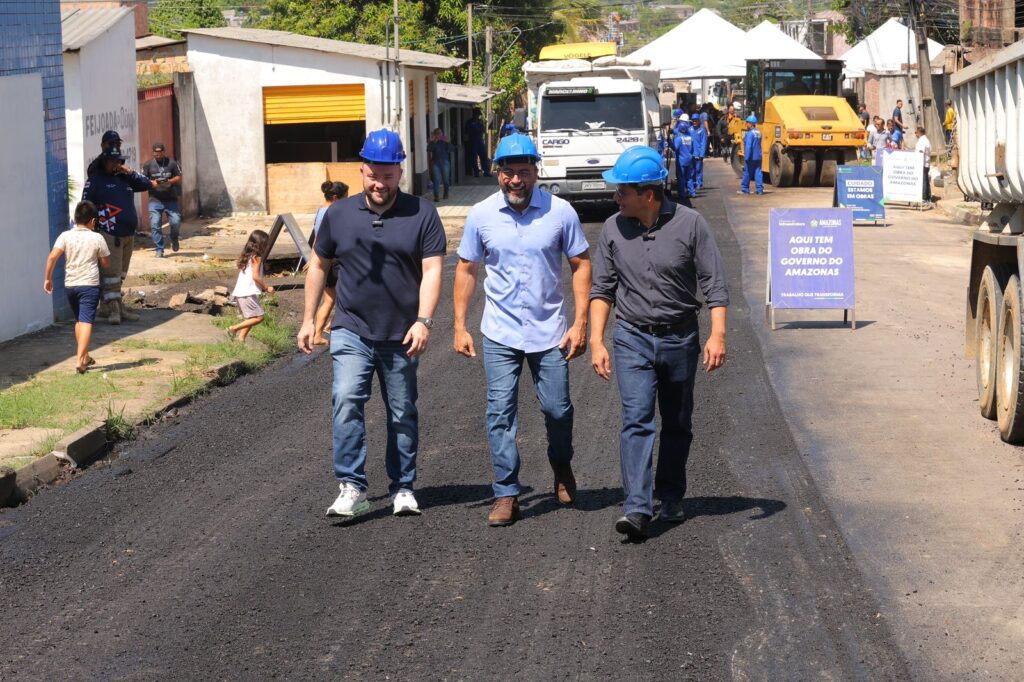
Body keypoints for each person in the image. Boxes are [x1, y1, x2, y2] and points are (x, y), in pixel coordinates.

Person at [298, 129, 446, 519]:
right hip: (351, 327)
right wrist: (309, 319)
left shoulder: (423, 213)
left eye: (389, 175)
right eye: (373, 174)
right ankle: (352, 486)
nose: (380, 183)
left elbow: (432, 270)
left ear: (400, 171)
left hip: (402, 333)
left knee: (401, 411)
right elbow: (318, 264)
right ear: (362, 170)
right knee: (346, 399)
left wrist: (423, 321)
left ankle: (403, 487)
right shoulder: (338, 214)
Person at [590, 145, 729, 541]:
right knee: (636, 420)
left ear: (647, 194)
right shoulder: (613, 228)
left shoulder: (691, 224)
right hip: (632, 337)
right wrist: (596, 340)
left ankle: (671, 494)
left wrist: (717, 334)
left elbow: (714, 284)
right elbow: (602, 289)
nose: (615, 198)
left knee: (677, 421)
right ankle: (636, 507)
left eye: (622, 192)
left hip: (681, 336)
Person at [453, 133, 591, 527]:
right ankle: (506, 493)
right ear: (498, 174)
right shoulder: (481, 215)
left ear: (536, 172)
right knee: (500, 412)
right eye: (509, 172)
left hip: (550, 333)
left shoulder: (560, 212)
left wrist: (580, 323)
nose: (516, 180)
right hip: (499, 332)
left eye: (524, 172)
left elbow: (581, 264)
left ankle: (561, 464)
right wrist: (459, 325)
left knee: (557, 409)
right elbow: (466, 269)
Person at [81, 146, 154, 325]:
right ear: (104, 161)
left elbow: (147, 184)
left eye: (119, 161)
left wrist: (130, 173)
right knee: (111, 274)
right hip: (109, 234)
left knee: (120, 274)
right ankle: (114, 311)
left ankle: (112, 306)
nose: (116, 164)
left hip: (128, 234)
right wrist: (90, 229)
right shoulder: (96, 180)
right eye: (113, 160)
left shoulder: (125, 178)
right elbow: (85, 205)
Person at [43, 201, 111, 374]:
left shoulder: (65, 236)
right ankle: (80, 361)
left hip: (71, 285)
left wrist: (47, 279)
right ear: (93, 221)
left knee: (79, 320)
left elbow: (52, 257)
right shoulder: (97, 238)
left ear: (75, 219)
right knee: (87, 321)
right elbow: (105, 263)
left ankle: (86, 356)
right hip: (89, 285)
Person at [307, 180, 349, 346]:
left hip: (326, 260)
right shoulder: (332, 213)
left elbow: (317, 238)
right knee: (334, 298)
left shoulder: (321, 211)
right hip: (331, 261)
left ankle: (326, 327)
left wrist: (312, 259)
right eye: (346, 197)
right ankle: (318, 333)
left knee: (333, 297)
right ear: (336, 198)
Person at [228, 230, 274, 343]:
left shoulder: (247, 255)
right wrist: (266, 288)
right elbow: (256, 277)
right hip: (246, 293)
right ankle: (233, 328)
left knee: (251, 318)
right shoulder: (257, 257)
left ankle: (241, 339)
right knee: (259, 317)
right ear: (261, 244)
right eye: (266, 243)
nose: (267, 245)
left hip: (241, 292)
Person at [142, 141, 182, 257]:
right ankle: (159, 249)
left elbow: (179, 176)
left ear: (164, 152)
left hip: (171, 199)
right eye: (156, 153)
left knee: (176, 222)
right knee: (155, 224)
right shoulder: (148, 165)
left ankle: (174, 238)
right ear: (153, 153)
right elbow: (143, 180)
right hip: (155, 200)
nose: (158, 155)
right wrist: (152, 183)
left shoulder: (172, 163)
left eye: (160, 152)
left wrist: (169, 182)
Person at [672, 116, 694, 206]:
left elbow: (675, 148)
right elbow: (692, 148)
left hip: (681, 160)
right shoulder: (689, 138)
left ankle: (682, 194)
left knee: (681, 177)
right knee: (688, 177)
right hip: (689, 159)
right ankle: (692, 192)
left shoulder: (678, 138)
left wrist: (670, 143)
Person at [464, 108, 491, 178]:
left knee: (484, 156)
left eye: (478, 115)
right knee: (474, 157)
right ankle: (476, 172)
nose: (478, 116)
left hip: (480, 141)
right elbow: (466, 133)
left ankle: (486, 171)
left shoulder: (480, 121)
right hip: (472, 141)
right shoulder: (469, 122)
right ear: (474, 114)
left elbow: (483, 130)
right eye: (477, 114)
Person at [739, 115, 763, 195]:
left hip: (751, 157)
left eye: (747, 123)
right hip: (758, 156)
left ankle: (745, 189)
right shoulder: (759, 132)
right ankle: (759, 190)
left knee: (747, 172)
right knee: (758, 172)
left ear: (751, 124)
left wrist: (746, 157)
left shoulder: (750, 134)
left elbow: (748, 146)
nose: (746, 124)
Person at [427, 127, 451, 202]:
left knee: (446, 180)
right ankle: (436, 196)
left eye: (440, 133)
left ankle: (446, 193)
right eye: (437, 133)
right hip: (436, 162)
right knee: (436, 180)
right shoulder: (433, 142)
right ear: (435, 134)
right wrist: (433, 142)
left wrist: (447, 142)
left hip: (445, 161)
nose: (439, 135)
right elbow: (428, 149)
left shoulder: (444, 140)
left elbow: (451, 149)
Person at [691, 112, 708, 190]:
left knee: (698, 169)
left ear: (699, 121)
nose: (694, 122)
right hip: (691, 154)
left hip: (698, 153)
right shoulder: (689, 129)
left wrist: (701, 154)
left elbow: (704, 142)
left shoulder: (702, 130)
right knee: (692, 170)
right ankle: (693, 183)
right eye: (693, 120)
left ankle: (699, 183)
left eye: (696, 120)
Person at [915, 126, 932, 202]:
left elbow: (921, 152)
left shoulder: (922, 141)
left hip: (922, 163)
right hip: (925, 163)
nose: (915, 134)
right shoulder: (925, 139)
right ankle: (928, 196)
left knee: (923, 180)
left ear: (919, 132)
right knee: (925, 180)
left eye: (916, 133)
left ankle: (924, 197)